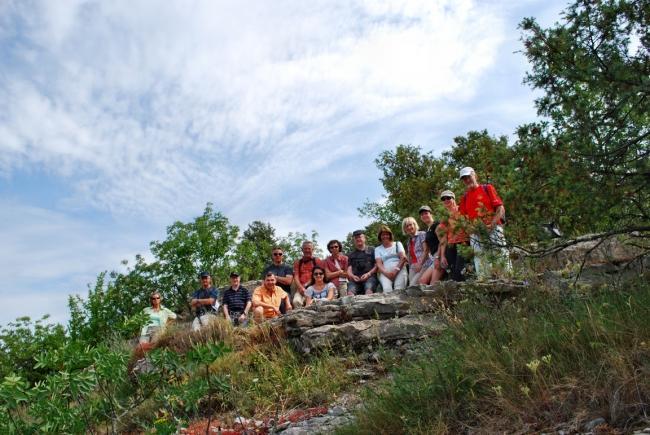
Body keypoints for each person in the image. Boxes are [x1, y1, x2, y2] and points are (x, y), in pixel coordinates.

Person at [458, 166, 511, 278]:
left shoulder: (487, 188)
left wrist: (492, 224)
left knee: (501, 255)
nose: (467, 180)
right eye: (464, 178)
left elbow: (500, 208)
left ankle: (508, 280)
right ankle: (484, 285)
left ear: (475, 175)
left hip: (494, 228)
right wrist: (470, 229)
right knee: (480, 259)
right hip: (476, 233)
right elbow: (462, 218)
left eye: (468, 176)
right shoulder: (465, 198)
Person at [436, 190, 469, 281]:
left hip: (463, 242)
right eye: (443, 199)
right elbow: (443, 237)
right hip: (450, 245)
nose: (446, 200)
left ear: (453, 199)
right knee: (452, 271)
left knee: (460, 271)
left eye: (448, 198)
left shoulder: (461, 209)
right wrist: (442, 256)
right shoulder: (444, 216)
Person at [375, 225, 408, 292]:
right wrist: (387, 273)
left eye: (387, 234)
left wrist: (395, 271)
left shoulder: (397, 244)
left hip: (399, 269)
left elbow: (403, 258)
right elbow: (379, 264)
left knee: (399, 290)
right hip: (385, 272)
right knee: (387, 290)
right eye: (383, 235)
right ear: (380, 237)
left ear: (390, 235)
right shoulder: (377, 249)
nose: (385, 236)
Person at [292, 241, 325, 308]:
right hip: (301, 288)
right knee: (296, 301)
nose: (307, 250)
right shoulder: (298, 262)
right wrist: (301, 288)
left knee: (313, 304)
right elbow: (296, 276)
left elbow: (320, 275)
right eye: (305, 248)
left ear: (312, 250)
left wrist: (306, 285)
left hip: (314, 288)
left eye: (309, 249)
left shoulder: (317, 261)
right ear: (302, 249)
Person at [417, 206, 444, 285]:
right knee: (422, 281)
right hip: (433, 258)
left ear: (431, 214)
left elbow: (442, 242)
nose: (424, 216)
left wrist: (438, 257)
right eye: (422, 215)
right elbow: (426, 250)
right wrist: (420, 263)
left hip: (440, 255)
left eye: (426, 213)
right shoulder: (427, 230)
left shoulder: (437, 225)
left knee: (432, 284)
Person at [262, 247, 294, 313]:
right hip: (270, 292)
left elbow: (288, 281)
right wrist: (282, 280)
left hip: (285, 291)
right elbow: (264, 283)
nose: (278, 255)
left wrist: (274, 277)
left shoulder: (287, 267)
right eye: (275, 254)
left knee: (282, 302)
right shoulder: (267, 269)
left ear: (283, 255)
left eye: (280, 254)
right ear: (272, 256)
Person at [402, 216, 432, 286]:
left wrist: (420, 264)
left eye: (410, 225)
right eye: (406, 226)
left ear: (414, 225)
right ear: (404, 229)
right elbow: (411, 256)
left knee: (413, 285)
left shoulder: (422, 234)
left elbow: (426, 250)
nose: (409, 227)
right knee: (410, 286)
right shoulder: (409, 241)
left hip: (424, 264)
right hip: (413, 267)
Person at [346, 230, 378, 295]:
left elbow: (377, 265)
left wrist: (368, 274)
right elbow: (349, 269)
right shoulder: (351, 254)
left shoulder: (373, 250)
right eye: (356, 238)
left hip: (370, 277)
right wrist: (352, 276)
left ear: (364, 238)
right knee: (349, 293)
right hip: (355, 280)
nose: (358, 239)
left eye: (360, 237)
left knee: (368, 290)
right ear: (354, 240)